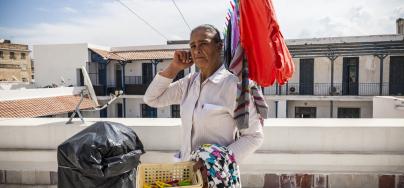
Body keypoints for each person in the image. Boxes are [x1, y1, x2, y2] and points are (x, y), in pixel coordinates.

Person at [143, 24, 264, 163]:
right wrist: (174, 67)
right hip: (187, 174)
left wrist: (214, 164)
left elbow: (254, 136)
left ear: (219, 46)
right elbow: (151, 99)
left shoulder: (233, 86)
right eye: (193, 46)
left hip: (217, 178)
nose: (197, 50)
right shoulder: (188, 83)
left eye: (203, 44)